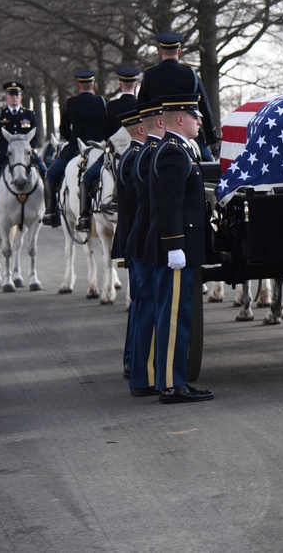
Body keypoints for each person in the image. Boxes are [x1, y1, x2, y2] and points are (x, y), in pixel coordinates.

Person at [145, 95, 213, 403]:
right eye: (195, 116)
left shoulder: (179, 150)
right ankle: (172, 385)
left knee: (177, 314)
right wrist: (174, 246)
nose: (200, 121)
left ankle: (173, 381)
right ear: (181, 119)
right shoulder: (173, 153)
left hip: (181, 248)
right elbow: (168, 205)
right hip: (177, 251)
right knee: (174, 316)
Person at [126, 100, 165, 397]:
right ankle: (145, 376)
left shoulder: (137, 154)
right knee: (149, 306)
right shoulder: (148, 154)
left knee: (143, 306)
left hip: (138, 239)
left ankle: (141, 374)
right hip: (146, 241)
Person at [136, 32, 221, 158]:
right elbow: (204, 106)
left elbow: (141, 107)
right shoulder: (190, 74)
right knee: (210, 169)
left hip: (159, 130)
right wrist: (212, 138)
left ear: (160, 52)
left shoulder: (149, 75)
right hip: (186, 130)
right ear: (179, 51)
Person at [77, 66, 141, 232]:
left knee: (87, 178)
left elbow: (105, 134)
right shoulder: (142, 104)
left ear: (120, 84)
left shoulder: (111, 106)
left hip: (115, 155)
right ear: (136, 84)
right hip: (140, 153)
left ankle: (84, 217)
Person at [0, 81, 43, 231]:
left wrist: (28, 150)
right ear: (6, 97)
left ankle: (50, 210)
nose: (14, 98)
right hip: (3, 155)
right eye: (11, 95)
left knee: (46, 173)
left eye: (17, 95)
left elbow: (36, 136)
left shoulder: (29, 114)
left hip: (25, 155)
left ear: (21, 97)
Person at [42, 70, 107, 228]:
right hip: (99, 147)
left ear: (78, 86)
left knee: (50, 175)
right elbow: (108, 127)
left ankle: (50, 212)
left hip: (74, 149)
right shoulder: (103, 102)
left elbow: (64, 130)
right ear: (94, 85)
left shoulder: (69, 103)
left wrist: (74, 138)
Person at [112, 109, 146, 380]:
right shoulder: (136, 157)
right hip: (138, 244)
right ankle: (134, 361)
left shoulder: (129, 156)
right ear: (142, 129)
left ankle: (131, 360)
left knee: (138, 303)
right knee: (141, 304)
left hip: (130, 241)